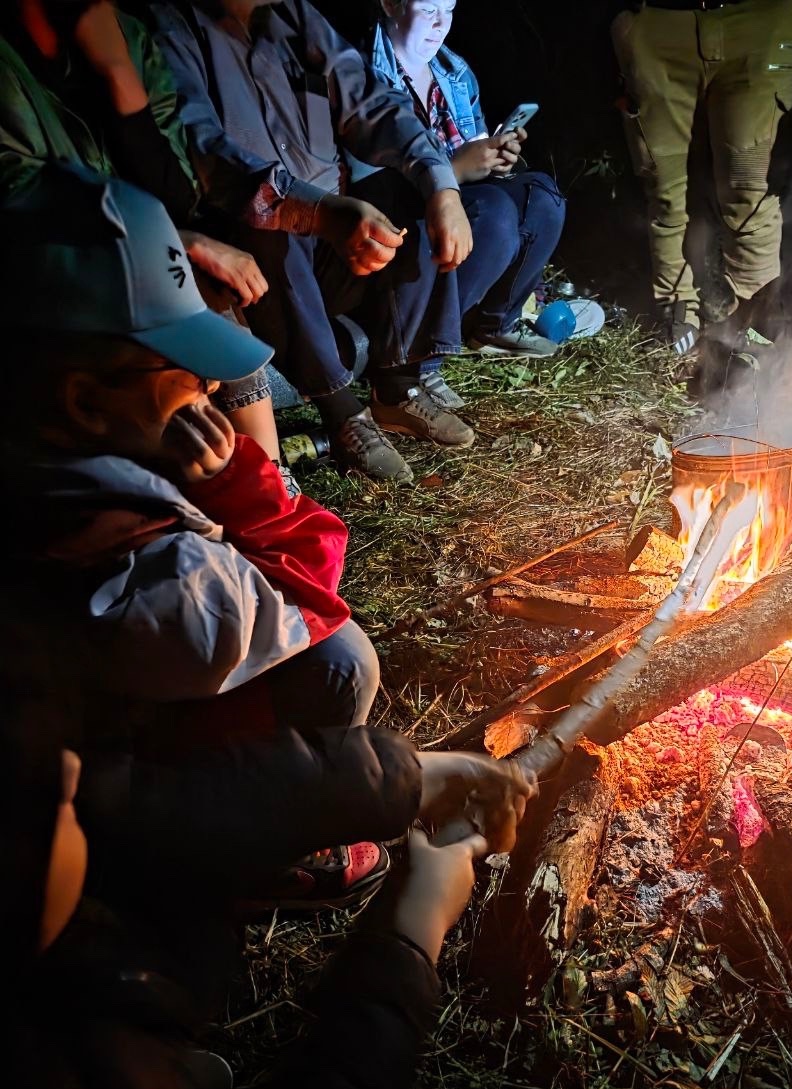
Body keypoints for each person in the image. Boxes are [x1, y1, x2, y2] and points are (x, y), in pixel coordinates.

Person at [0, 166, 532, 909]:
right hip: (113, 799)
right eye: (185, 372)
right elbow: (313, 583)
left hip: (97, 727)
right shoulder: (152, 570)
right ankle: (255, 856)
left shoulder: (50, 458)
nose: (213, 387)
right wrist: (240, 486)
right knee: (342, 663)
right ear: (85, 402)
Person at [0, 633, 529, 1089]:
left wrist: (397, 778)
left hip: (96, 1032)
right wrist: (412, 934)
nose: (71, 773)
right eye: (49, 800)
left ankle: (154, 1082)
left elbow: (148, 804)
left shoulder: (55, 852)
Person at [149, 0, 508, 481]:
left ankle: (398, 386)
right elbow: (205, 151)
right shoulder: (173, 28)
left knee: (407, 187)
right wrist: (316, 211)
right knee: (267, 225)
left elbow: (373, 104)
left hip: (339, 242)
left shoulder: (294, 17)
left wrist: (441, 185)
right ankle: (342, 414)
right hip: (258, 255)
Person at [0, 0, 296, 486]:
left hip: (143, 262)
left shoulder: (129, 37)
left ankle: (268, 482)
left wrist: (119, 73)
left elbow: (178, 193)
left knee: (212, 308)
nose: (210, 385)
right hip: (59, 291)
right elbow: (27, 215)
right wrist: (177, 242)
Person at [367, 0, 567, 361]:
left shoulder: (452, 71)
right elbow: (370, 179)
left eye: (449, 9)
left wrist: (494, 157)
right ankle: (419, 355)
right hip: (401, 209)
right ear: (391, 4)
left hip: (461, 194)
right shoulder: (364, 73)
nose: (441, 23)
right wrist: (455, 171)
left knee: (541, 196)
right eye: (429, 10)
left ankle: (491, 326)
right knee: (495, 210)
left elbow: (473, 143)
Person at [610, 0, 792, 355]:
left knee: (751, 187)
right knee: (665, 188)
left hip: (760, 19)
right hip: (658, 22)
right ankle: (678, 303)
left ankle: (756, 311)